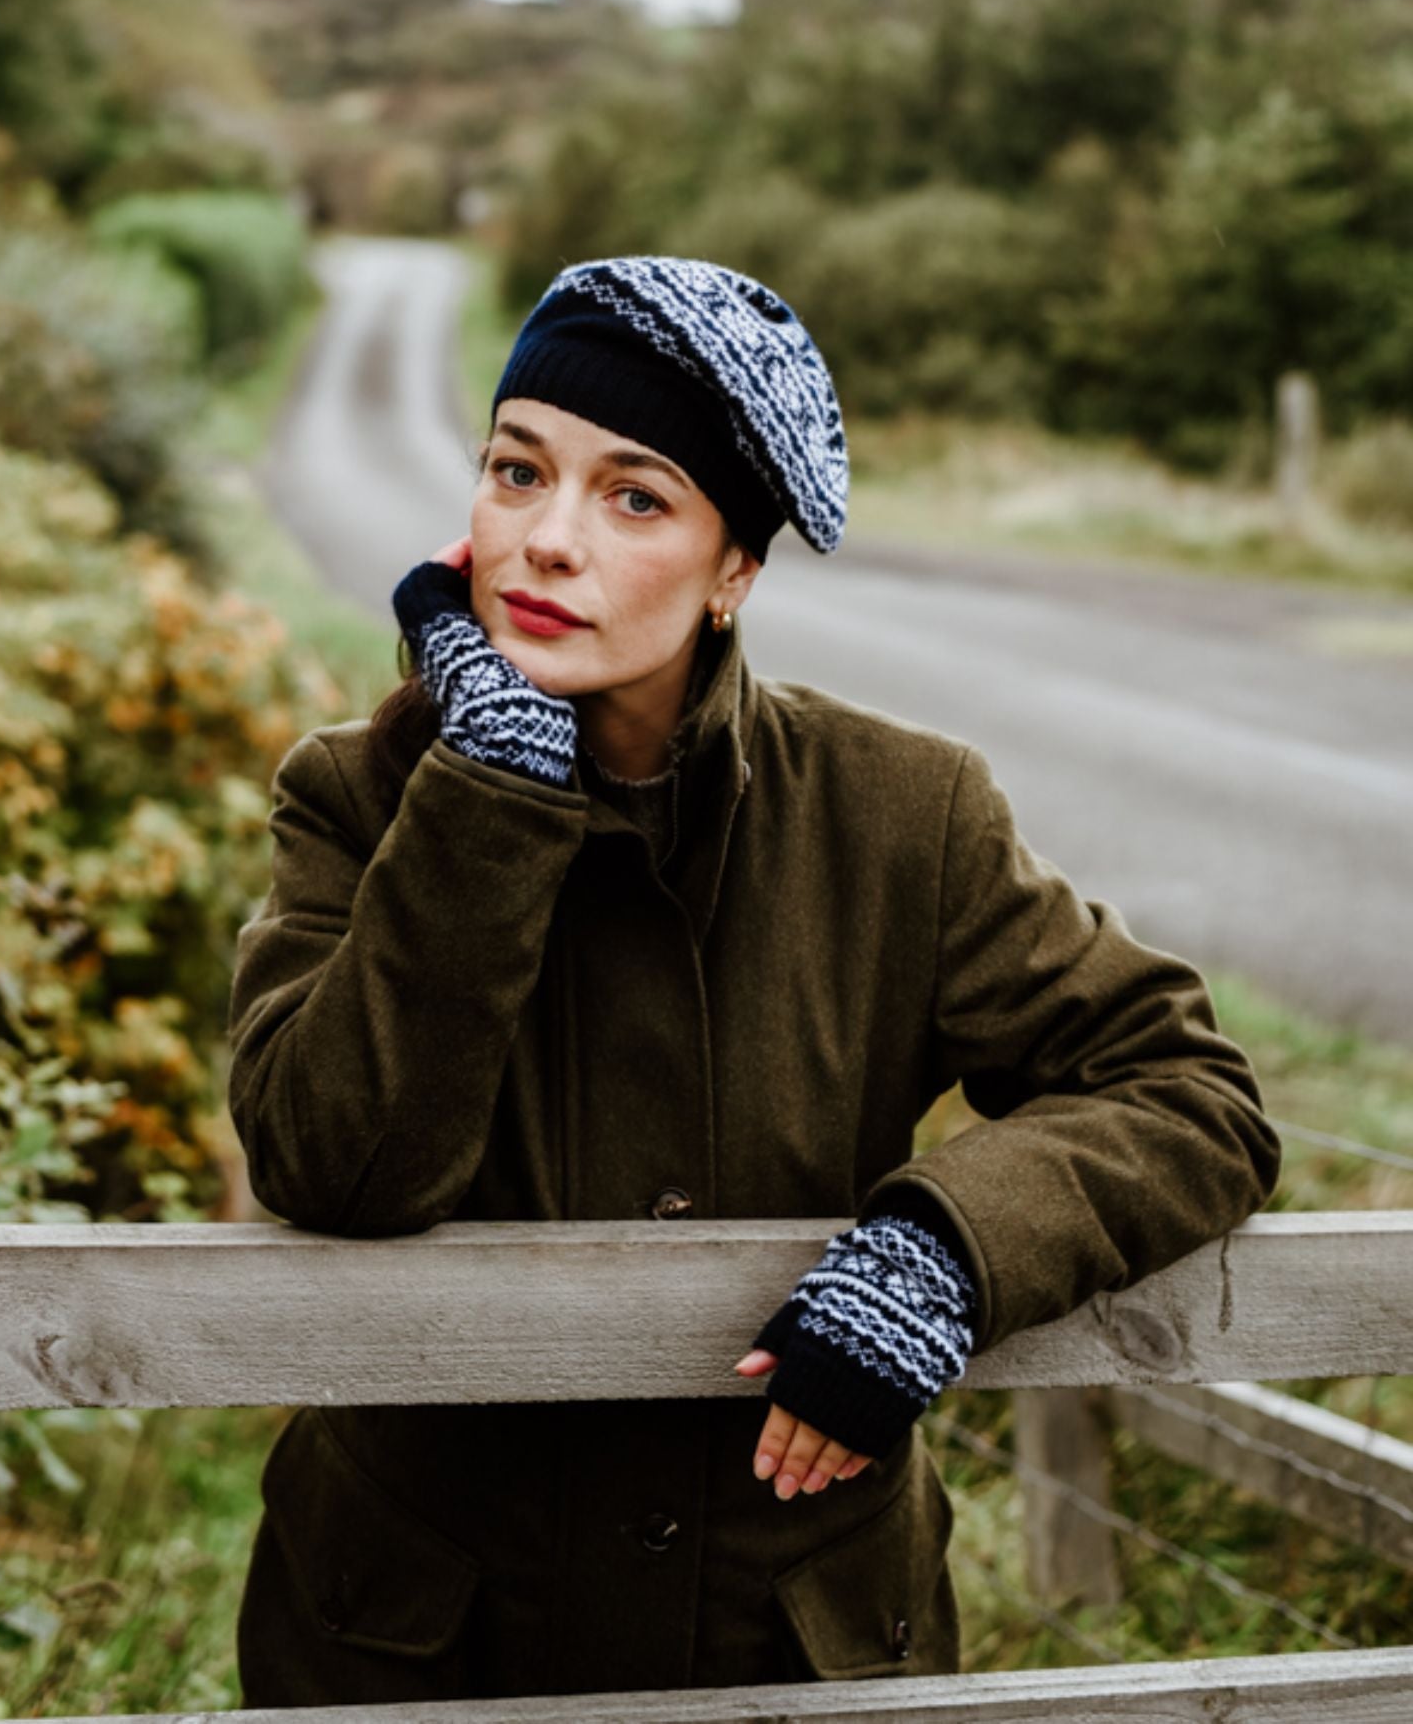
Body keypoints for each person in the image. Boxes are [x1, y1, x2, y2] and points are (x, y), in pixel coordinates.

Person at [226, 254, 1280, 1705]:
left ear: (736, 568)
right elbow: (337, 1165)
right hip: (424, 1642)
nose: (548, 539)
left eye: (636, 495)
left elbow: (1191, 1093)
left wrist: (942, 1257)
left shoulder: (902, 814)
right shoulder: (361, 793)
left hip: (791, 1644)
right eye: (516, 471)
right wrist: (487, 793)